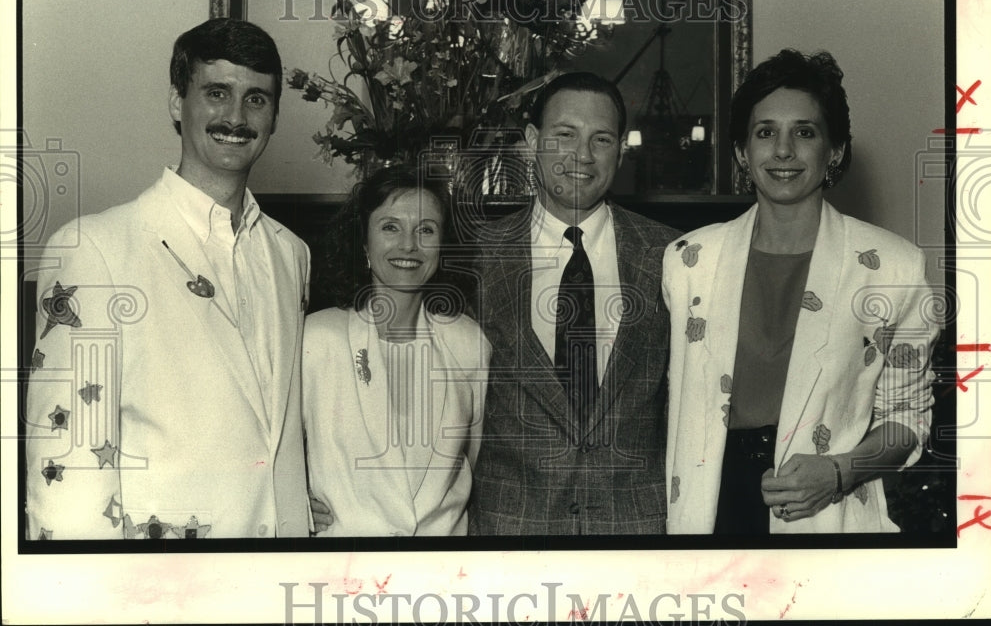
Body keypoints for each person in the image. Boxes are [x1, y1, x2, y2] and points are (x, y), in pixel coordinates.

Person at [24, 18, 312, 539]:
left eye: (256, 99)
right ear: (178, 103)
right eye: (216, 92)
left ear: (274, 117)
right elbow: (65, 460)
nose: (235, 117)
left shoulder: (291, 254)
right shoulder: (97, 249)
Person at [662, 49, 938, 534]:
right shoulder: (689, 261)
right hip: (707, 512)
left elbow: (908, 417)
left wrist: (837, 472)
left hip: (824, 513)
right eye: (765, 132)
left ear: (834, 151)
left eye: (804, 132)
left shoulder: (893, 266)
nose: (783, 150)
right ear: (742, 153)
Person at [468, 72, 680, 535]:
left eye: (601, 139)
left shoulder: (672, 256)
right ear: (530, 141)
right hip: (510, 534)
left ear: (621, 150)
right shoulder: (475, 257)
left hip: (636, 533)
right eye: (564, 135)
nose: (582, 155)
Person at [303, 163, 490, 537]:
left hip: (441, 581)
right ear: (364, 243)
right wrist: (291, 499)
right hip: (343, 575)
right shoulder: (318, 338)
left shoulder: (470, 344)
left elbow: (475, 462)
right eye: (390, 227)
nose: (408, 245)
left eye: (426, 230)